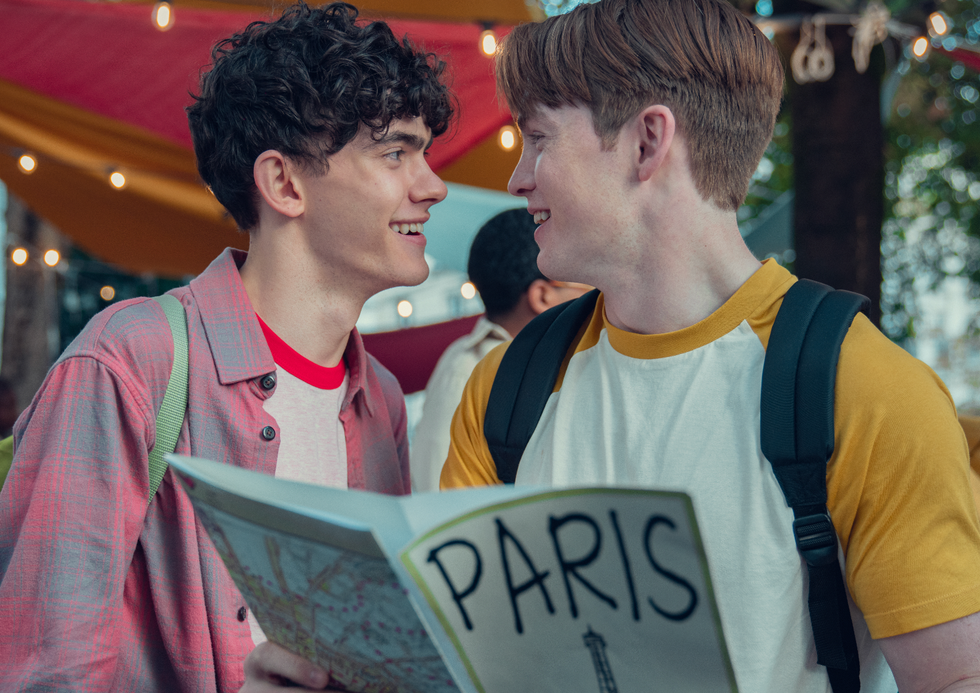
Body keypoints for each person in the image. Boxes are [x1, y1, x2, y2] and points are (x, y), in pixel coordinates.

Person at [439, 0, 980, 691]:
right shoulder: (505, 387)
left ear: (646, 142)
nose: (518, 179)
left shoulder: (864, 390)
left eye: (538, 139)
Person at [0, 3, 452, 691]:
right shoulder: (130, 364)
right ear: (283, 183)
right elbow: (46, 674)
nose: (433, 185)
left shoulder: (380, 400)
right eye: (395, 152)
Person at [410, 207, 589, 491]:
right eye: (583, 290)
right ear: (542, 296)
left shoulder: (542, 367)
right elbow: (436, 492)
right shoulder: (470, 370)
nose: (593, 302)